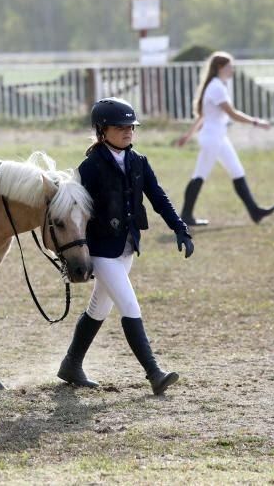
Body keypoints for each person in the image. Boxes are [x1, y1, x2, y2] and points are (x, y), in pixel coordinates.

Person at [57, 97, 193, 396]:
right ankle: (154, 373)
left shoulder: (138, 161)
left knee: (99, 308)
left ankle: (71, 364)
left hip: (127, 246)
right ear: (102, 131)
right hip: (101, 249)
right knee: (129, 305)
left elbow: (158, 197)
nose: (128, 132)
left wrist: (180, 228)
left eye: (131, 126)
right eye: (120, 127)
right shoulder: (90, 167)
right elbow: (75, 212)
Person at [177, 51, 274, 225]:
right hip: (212, 138)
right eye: (230, 67)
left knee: (237, 171)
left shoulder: (217, 85)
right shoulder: (216, 87)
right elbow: (232, 113)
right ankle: (185, 215)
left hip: (218, 137)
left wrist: (188, 135)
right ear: (219, 67)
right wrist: (256, 122)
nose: (232, 70)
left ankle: (255, 211)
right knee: (199, 175)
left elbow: (202, 116)